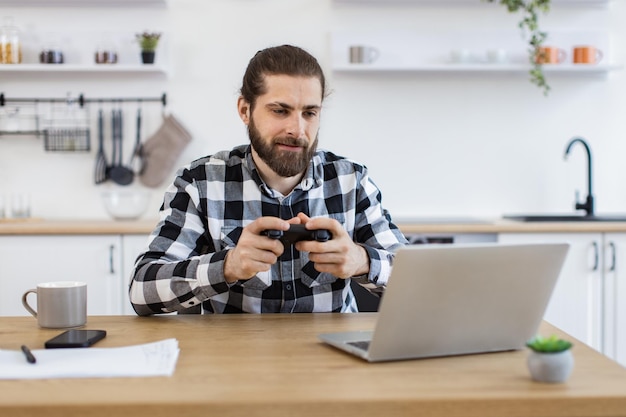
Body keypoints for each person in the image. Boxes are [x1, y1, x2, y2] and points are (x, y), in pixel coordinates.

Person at [129, 44, 408, 315]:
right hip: (234, 356)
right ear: (245, 110)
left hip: (333, 357)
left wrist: (362, 261)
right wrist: (228, 265)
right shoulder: (200, 183)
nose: (297, 130)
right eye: (280, 110)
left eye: (309, 113)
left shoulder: (351, 182)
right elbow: (141, 290)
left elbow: (414, 281)